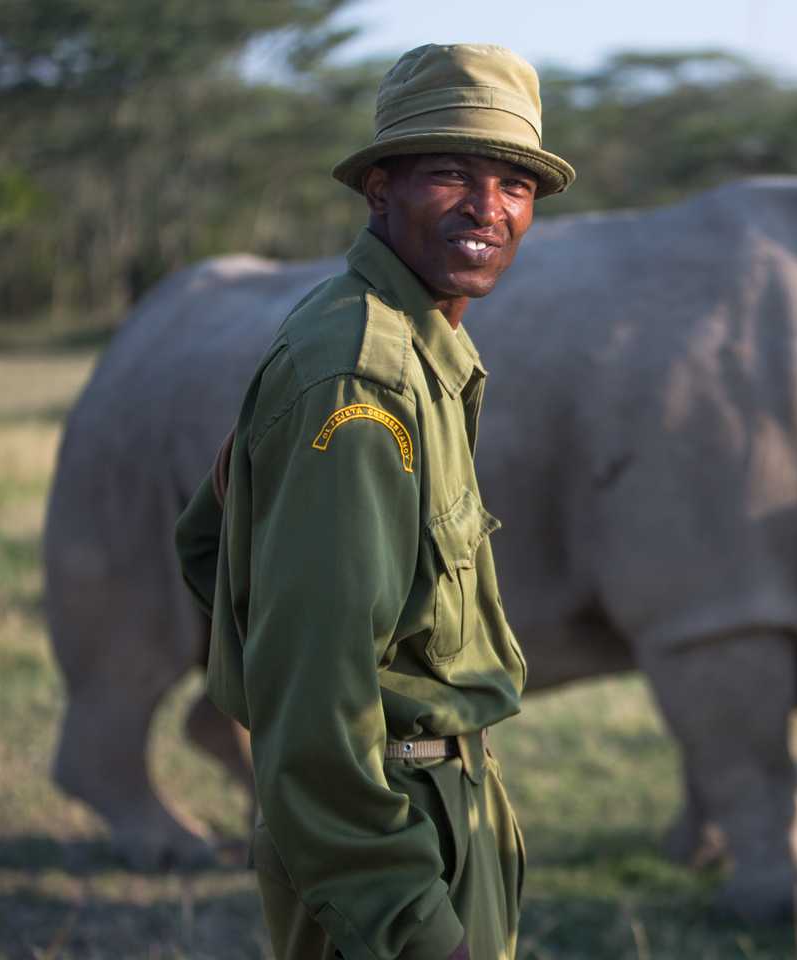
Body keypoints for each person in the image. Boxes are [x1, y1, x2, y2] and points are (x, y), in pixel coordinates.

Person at [175, 43, 574, 960]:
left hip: (422, 812)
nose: (489, 207)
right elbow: (316, 689)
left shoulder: (401, 339)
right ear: (380, 189)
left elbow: (212, 545)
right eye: (450, 173)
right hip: (384, 836)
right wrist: (407, 920)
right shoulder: (364, 378)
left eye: (515, 183)